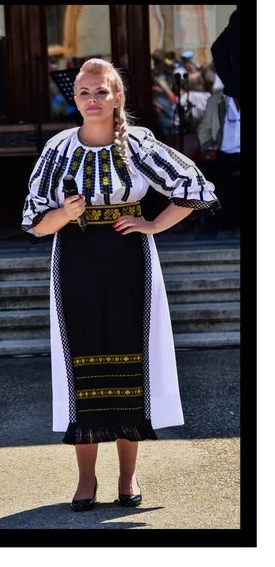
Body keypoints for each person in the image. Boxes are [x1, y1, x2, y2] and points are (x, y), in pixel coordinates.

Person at [21, 58, 219, 511]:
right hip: (75, 260)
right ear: (75, 99)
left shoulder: (140, 145)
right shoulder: (57, 149)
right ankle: (86, 480)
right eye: (85, 93)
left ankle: (127, 480)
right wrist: (65, 215)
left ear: (118, 98)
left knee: (133, 367)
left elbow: (194, 187)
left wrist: (151, 224)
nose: (93, 100)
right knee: (82, 368)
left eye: (101, 92)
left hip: (130, 259)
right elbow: (34, 223)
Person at [197, 90, 240, 231]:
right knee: (211, 175)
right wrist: (209, 148)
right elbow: (204, 128)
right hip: (223, 153)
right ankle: (222, 222)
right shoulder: (216, 100)